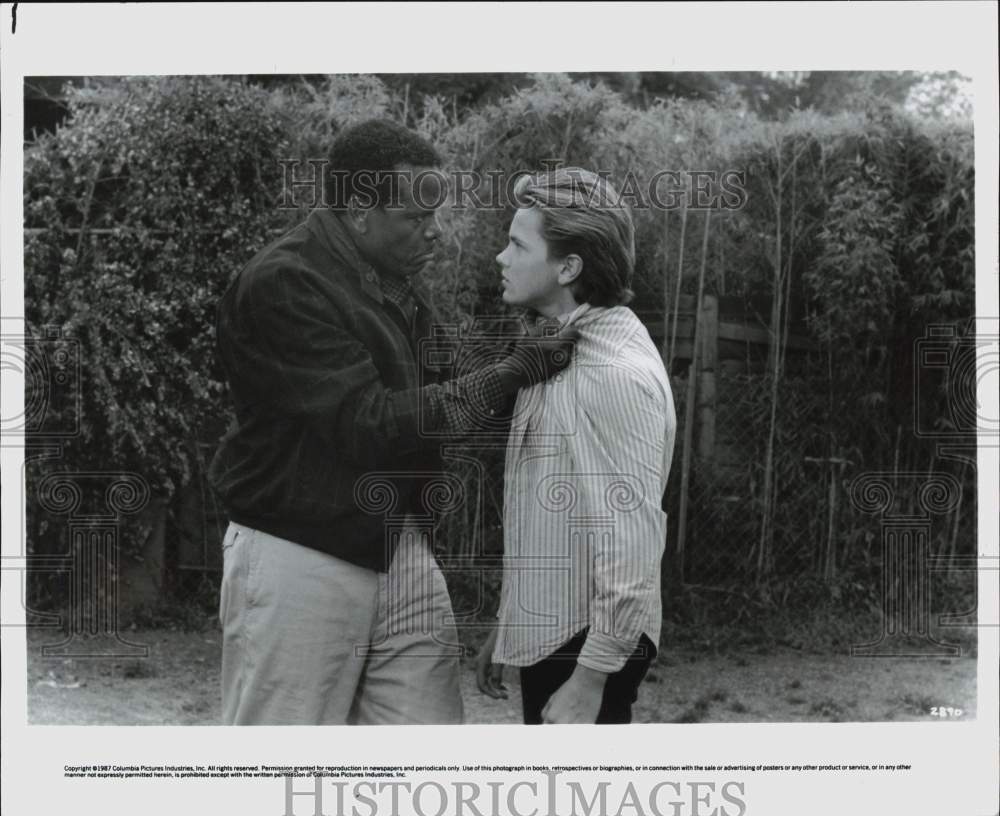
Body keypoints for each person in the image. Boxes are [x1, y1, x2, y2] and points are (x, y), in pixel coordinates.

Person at [209, 120, 576, 725]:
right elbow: (371, 421)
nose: (435, 230)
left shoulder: (395, 284)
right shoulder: (285, 282)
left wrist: (547, 364)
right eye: (416, 216)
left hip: (399, 549)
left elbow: (444, 401)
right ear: (359, 211)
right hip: (301, 553)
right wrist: (513, 372)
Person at [476, 167, 677, 724]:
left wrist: (591, 677)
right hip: (564, 632)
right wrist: (513, 622)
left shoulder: (611, 373)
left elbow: (632, 541)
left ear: (568, 267)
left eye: (517, 243)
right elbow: (554, 518)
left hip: (589, 645)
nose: (501, 257)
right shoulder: (566, 349)